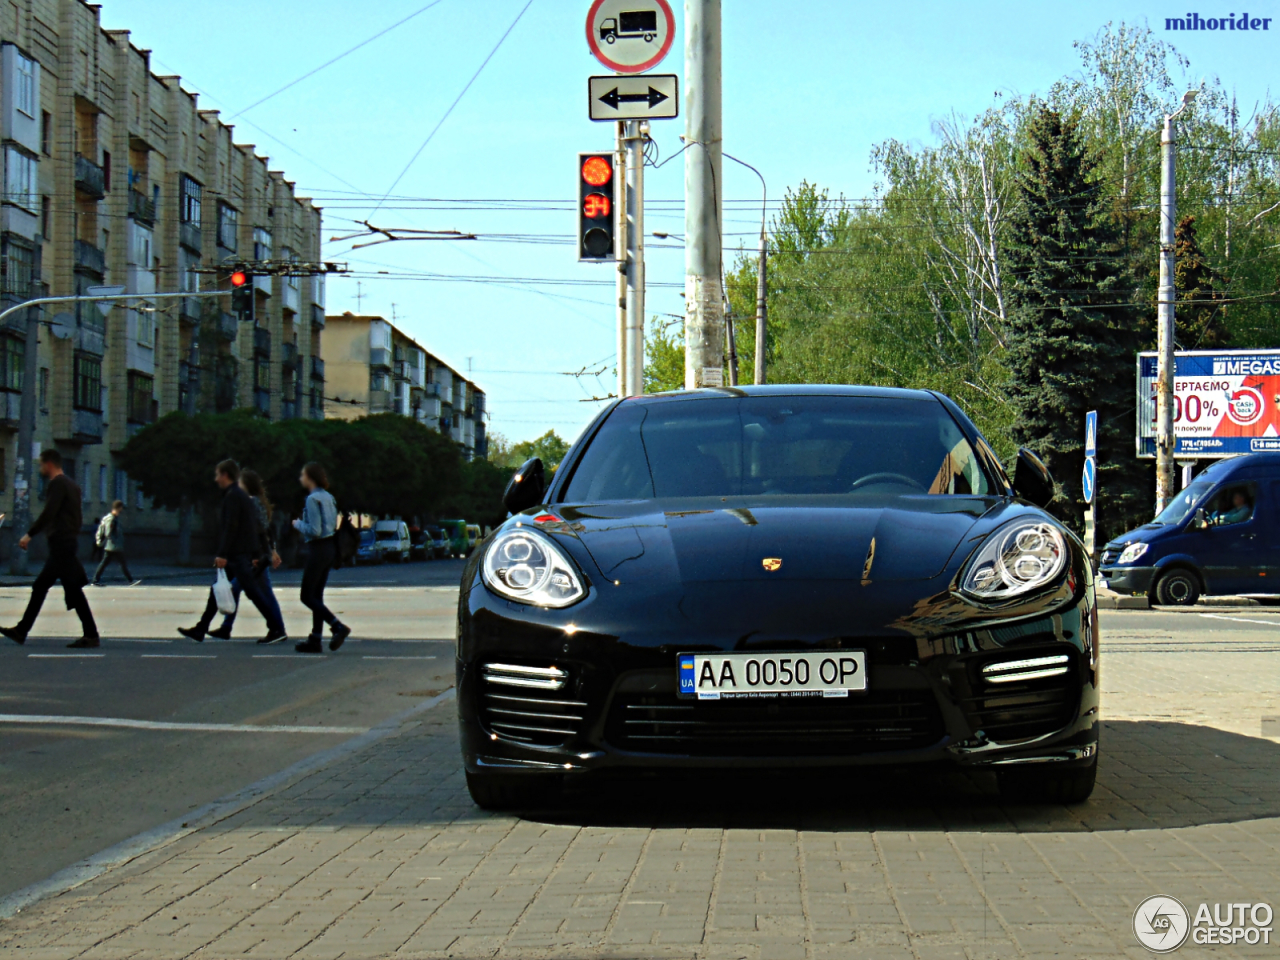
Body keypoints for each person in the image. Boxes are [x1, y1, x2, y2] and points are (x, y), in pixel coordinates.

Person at [178, 459, 287, 644]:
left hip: (237, 554)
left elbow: (232, 527)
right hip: (241, 553)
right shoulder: (241, 496)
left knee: (254, 592)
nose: (216, 479)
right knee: (219, 589)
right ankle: (201, 628)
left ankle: (276, 628)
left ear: (225, 475)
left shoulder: (234, 497)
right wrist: (254, 554)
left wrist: (222, 553)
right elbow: (254, 527)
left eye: (218, 474)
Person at [1, 450, 100, 648]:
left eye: (41, 465)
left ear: (48, 464)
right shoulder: (72, 485)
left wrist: (30, 534)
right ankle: (90, 634)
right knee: (72, 590)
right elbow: (77, 517)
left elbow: (49, 512)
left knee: (43, 587)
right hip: (67, 541)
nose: (40, 469)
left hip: (61, 544)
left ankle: (22, 630)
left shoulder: (57, 484)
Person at [207, 469, 285, 641]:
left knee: (249, 591)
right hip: (252, 555)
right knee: (247, 590)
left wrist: (269, 551)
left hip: (255, 556)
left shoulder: (252, 502)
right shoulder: (252, 501)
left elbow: (262, 529)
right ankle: (227, 627)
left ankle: (278, 629)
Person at [293, 461, 350, 653]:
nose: (301, 478)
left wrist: (298, 524)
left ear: (310, 477)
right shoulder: (329, 498)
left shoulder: (312, 499)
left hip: (318, 548)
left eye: (303, 475)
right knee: (317, 595)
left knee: (306, 595)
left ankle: (337, 626)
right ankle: (315, 639)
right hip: (330, 548)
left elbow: (315, 530)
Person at [92, 500, 141, 586]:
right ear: (118, 508)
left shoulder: (114, 518)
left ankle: (95, 580)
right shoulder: (111, 519)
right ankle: (130, 580)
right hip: (113, 546)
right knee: (121, 563)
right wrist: (115, 542)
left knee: (105, 563)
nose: (121, 510)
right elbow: (108, 533)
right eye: (121, 508)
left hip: (112, 546)